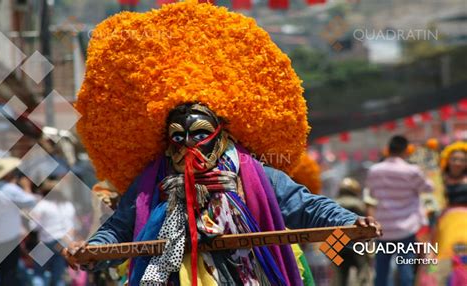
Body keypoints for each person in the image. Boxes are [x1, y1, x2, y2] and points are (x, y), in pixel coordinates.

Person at [63, 2, 382, 285]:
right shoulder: (152, 180)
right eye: (179, 136)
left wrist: (350, 222)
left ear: (221, 131)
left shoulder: (253, 173)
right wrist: (91, 251)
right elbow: (120, 229)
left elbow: (306, 206)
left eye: (199, 133)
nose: (189, 143)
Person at [366, 135, 433, 286]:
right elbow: (428, 188)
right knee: (405, 268)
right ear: (405, 150)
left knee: (381, 271)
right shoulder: (411, 171)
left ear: (388, 150)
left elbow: (371, 193)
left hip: (383, 228)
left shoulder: (374, 170)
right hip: (406, 228)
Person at [0, 156, 37, 286]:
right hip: (8, 240)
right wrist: (26, 186)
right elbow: (31, 201)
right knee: (9, 274)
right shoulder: (9, 189)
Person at [29, 177, 77, 286]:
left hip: (45, 242)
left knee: (38, 274)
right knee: (58, 276)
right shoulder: (68, 205)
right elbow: (71, 227)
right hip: (62, 243)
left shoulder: (41, 205)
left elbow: (34, 227)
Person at [334, 178, 370, 286]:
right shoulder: (359, 204)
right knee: (362, 273)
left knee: (339, 276)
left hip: (335, 243)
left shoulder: (333, 203)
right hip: (356, 243)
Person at [440, 141, 467, 206]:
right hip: (445, 214)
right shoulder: (439, 179)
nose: (457, 163)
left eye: (462, 160)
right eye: (454, 159)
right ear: (447, 160)